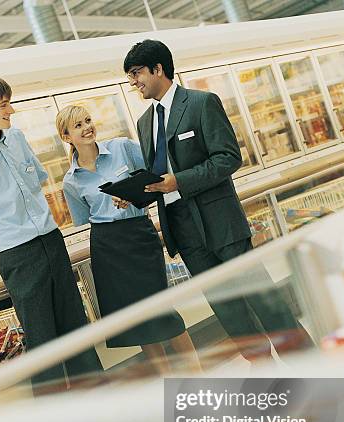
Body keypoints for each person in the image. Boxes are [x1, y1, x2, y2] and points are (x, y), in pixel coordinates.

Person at [123, 40, 312, 359]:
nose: (133, 82)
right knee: (229, 313)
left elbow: (227, 158)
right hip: (184, 231)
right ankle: (264, 372)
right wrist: (138, 190)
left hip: (220, 223)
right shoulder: (144, 123)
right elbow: (158, 172)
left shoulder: (200, 103)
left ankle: (309, 363)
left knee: (265, 301)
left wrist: (178, 182)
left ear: (158, 69)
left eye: (137, 73)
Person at [0, 74, 102, 389]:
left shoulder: (16, 137)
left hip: (50, 239)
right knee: (41, 336)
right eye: (3, 105)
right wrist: (0, 250)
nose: (11, 111)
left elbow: (38, 179)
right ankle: (57, 419)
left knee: (75, 322)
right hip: (17, 253)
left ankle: (97, 397)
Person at [56, 105, 200, 373]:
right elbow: (86, 217)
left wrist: (134, 195)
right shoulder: (71, 181)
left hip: (139, 235)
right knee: (136, 320)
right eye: (78, 125)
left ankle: (197, 375)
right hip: (108, 246)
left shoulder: (123, 147)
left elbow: (158, 177)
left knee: (161, 308)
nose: (87, 127)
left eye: (88, 120)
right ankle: (167, 380)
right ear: (66, 136)